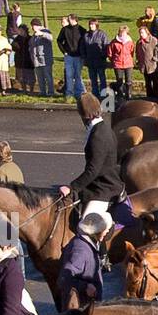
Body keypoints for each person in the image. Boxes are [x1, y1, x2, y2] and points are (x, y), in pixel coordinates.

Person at [57, 92, 123, 224]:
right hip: (98, 185)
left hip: (104, 189)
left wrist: (72, 187)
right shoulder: (102, 127)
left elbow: (93, 170)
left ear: (83, 114)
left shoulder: (98, 135)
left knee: (86, 226)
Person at [57, 212, 108, 310]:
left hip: (88, 306)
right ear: (94, 232)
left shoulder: (88, 245)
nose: (105, 232)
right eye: (103, 230)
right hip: (81, 310)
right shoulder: (80, 250)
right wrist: (85, 286)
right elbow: (64, 278)